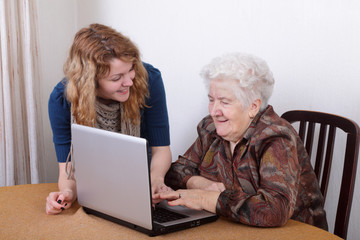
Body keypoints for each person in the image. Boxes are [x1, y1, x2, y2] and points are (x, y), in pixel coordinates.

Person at [161, 53, 328, 230]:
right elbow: (175, 171)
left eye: (224, 102)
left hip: (294, 233)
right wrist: (199, 183)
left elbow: (274, 210)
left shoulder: (276, 137)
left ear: (253, 106)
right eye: (211, 100)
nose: (214, 111)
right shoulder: (209, 129)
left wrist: (204, 198)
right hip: (235, 229)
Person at [46, 23, 172, 214]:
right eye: (116, 78)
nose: (129, 81)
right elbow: (67, 169)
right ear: (90, 82)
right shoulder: (62, 100)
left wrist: (155, 181)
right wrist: (66, 192)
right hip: (95, 191)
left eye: (131, 70)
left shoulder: (149, 80)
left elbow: (161, 149)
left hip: (141, 183)